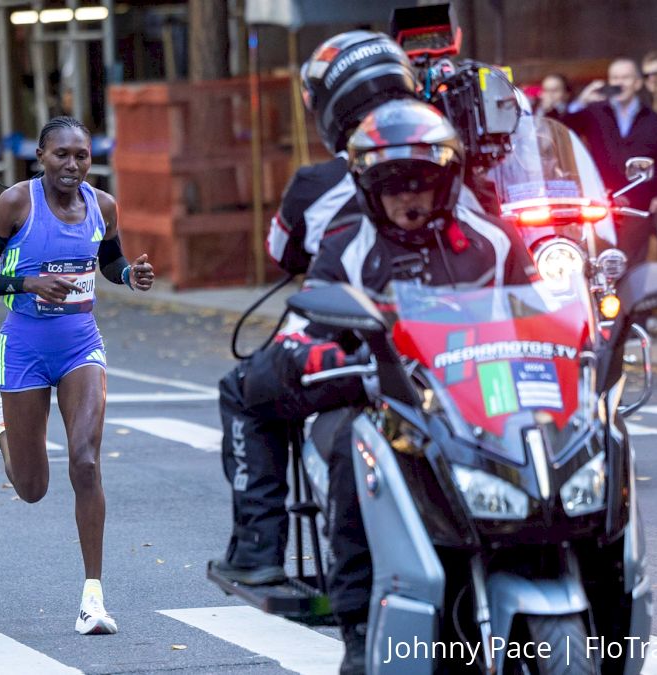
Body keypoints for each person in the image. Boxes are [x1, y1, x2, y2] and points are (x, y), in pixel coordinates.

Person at [220, 99, 536, 674]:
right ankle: (361, 630)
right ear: (369, 188)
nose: (409, 197)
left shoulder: (493, 238)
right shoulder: (348, 245)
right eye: (393, 185)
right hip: (381, 404)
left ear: (448, 181)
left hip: (485, 403)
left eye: (424, 181)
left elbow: (539, 318)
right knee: (351, 449)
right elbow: (299, 331)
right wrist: (321, 357)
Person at [218, 31, 418, 587]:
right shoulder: (457, 159)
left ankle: (258, 550)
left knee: (242, 389)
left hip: (354, 352)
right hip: (433, 345)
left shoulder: (319, 183)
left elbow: (281, 253)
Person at [0, 116, 154, 635]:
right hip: (25, 344)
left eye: (81, 156)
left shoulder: (103, 206)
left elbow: (110, 262)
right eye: (61, 155)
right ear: (41, 157)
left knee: (86, 462)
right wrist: (26, 283)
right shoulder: (16, 204)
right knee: (31, 488)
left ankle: (93, 598)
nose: (72, 165)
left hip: (79, 343)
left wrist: (129, 276)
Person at [566, 58, 657, 267]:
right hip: (602, 199)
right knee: (602, 258)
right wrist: (581, 102)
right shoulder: (594, 111)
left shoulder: (650, 116)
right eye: (615, 78)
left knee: (631, 261)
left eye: (625, 77)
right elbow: (565, 128)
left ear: (637, 83)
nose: (619, 83)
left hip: (639, 202)